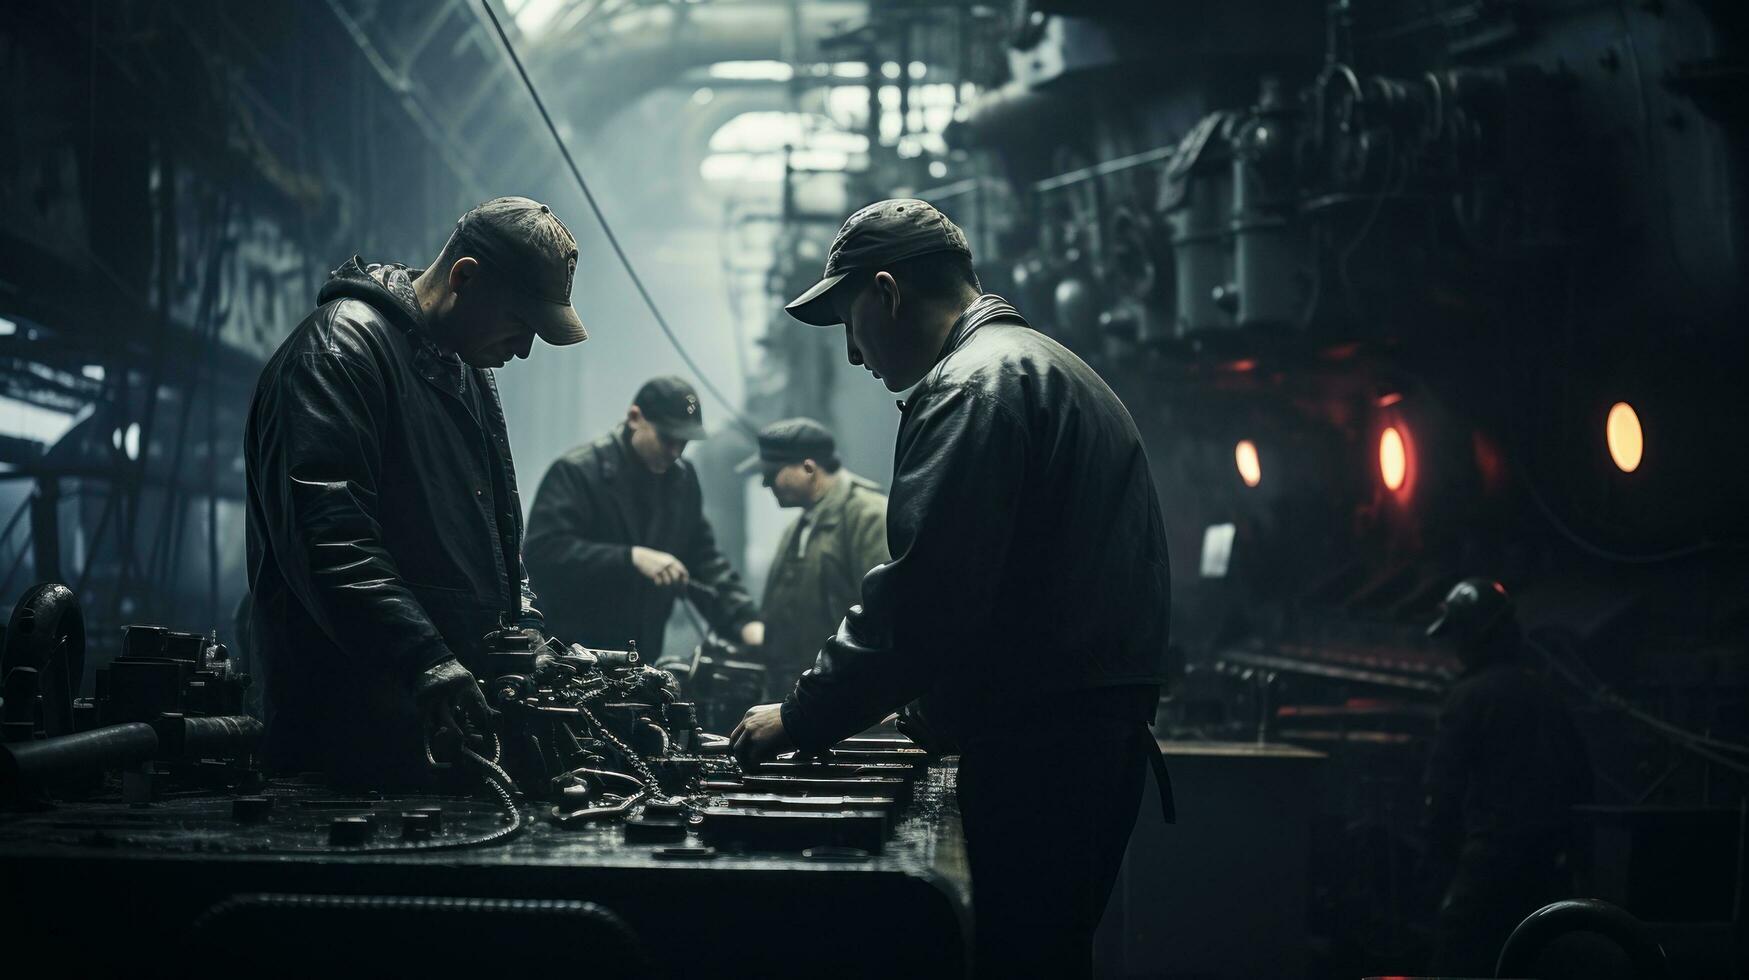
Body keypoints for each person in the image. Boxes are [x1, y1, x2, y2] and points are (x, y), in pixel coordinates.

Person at [731, 199, 1174, 979]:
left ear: (887, 294)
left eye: (849, 323)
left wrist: (800, 715)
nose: (855, 356)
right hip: (1087, 739)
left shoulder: (972, 389)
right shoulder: (1045, 367)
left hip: (1043, 750)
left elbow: (924, 601)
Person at [245, 196, 587, 788]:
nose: (526, 349)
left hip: (435, 728)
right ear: (465, 276)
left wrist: (524, 624)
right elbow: (330, 540)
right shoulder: (339, 353)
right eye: (520, 323)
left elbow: (500, 533)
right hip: (349, 735)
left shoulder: (464, 369)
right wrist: (424, 659)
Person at [1421, 577, 1594, 975]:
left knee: (1457, 957)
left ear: (1473, 635)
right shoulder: (1545, 692)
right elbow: (1581, 780)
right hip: (1546, 868)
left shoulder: (1468, 697)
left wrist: (1437, 866)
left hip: (1488, 865)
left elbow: (1442, 791)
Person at [524, 376, 763, 661]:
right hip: (569, 659)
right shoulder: (576, 473)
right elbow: (542, 553)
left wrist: (745, 621)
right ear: (635, 417)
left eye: (683, 442)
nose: (675, 452)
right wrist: (631, 558)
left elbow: (703, 560)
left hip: (640, 661)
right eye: (666, 438)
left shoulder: (683, 482)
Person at [739, 418, 888, 694]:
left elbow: (884, 615)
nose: (765, 483)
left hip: (844, 694)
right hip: (802, 693)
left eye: (772, 473)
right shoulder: (800, 525)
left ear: (808, 468)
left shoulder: (868, 515)